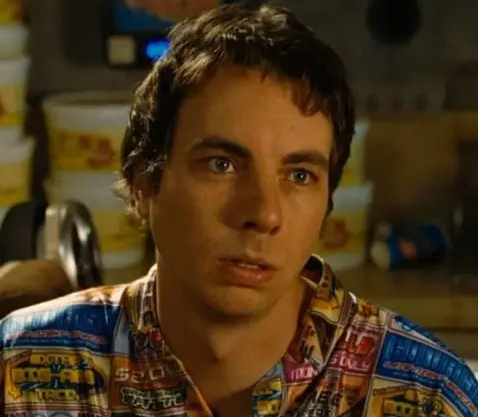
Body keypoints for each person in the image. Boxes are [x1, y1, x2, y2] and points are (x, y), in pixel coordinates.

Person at [1, 3, 477, 417]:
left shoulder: (426, 394)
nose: (264, 214)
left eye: (299, 176)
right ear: (145, 182)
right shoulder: (21, 370)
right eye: (222, 165)